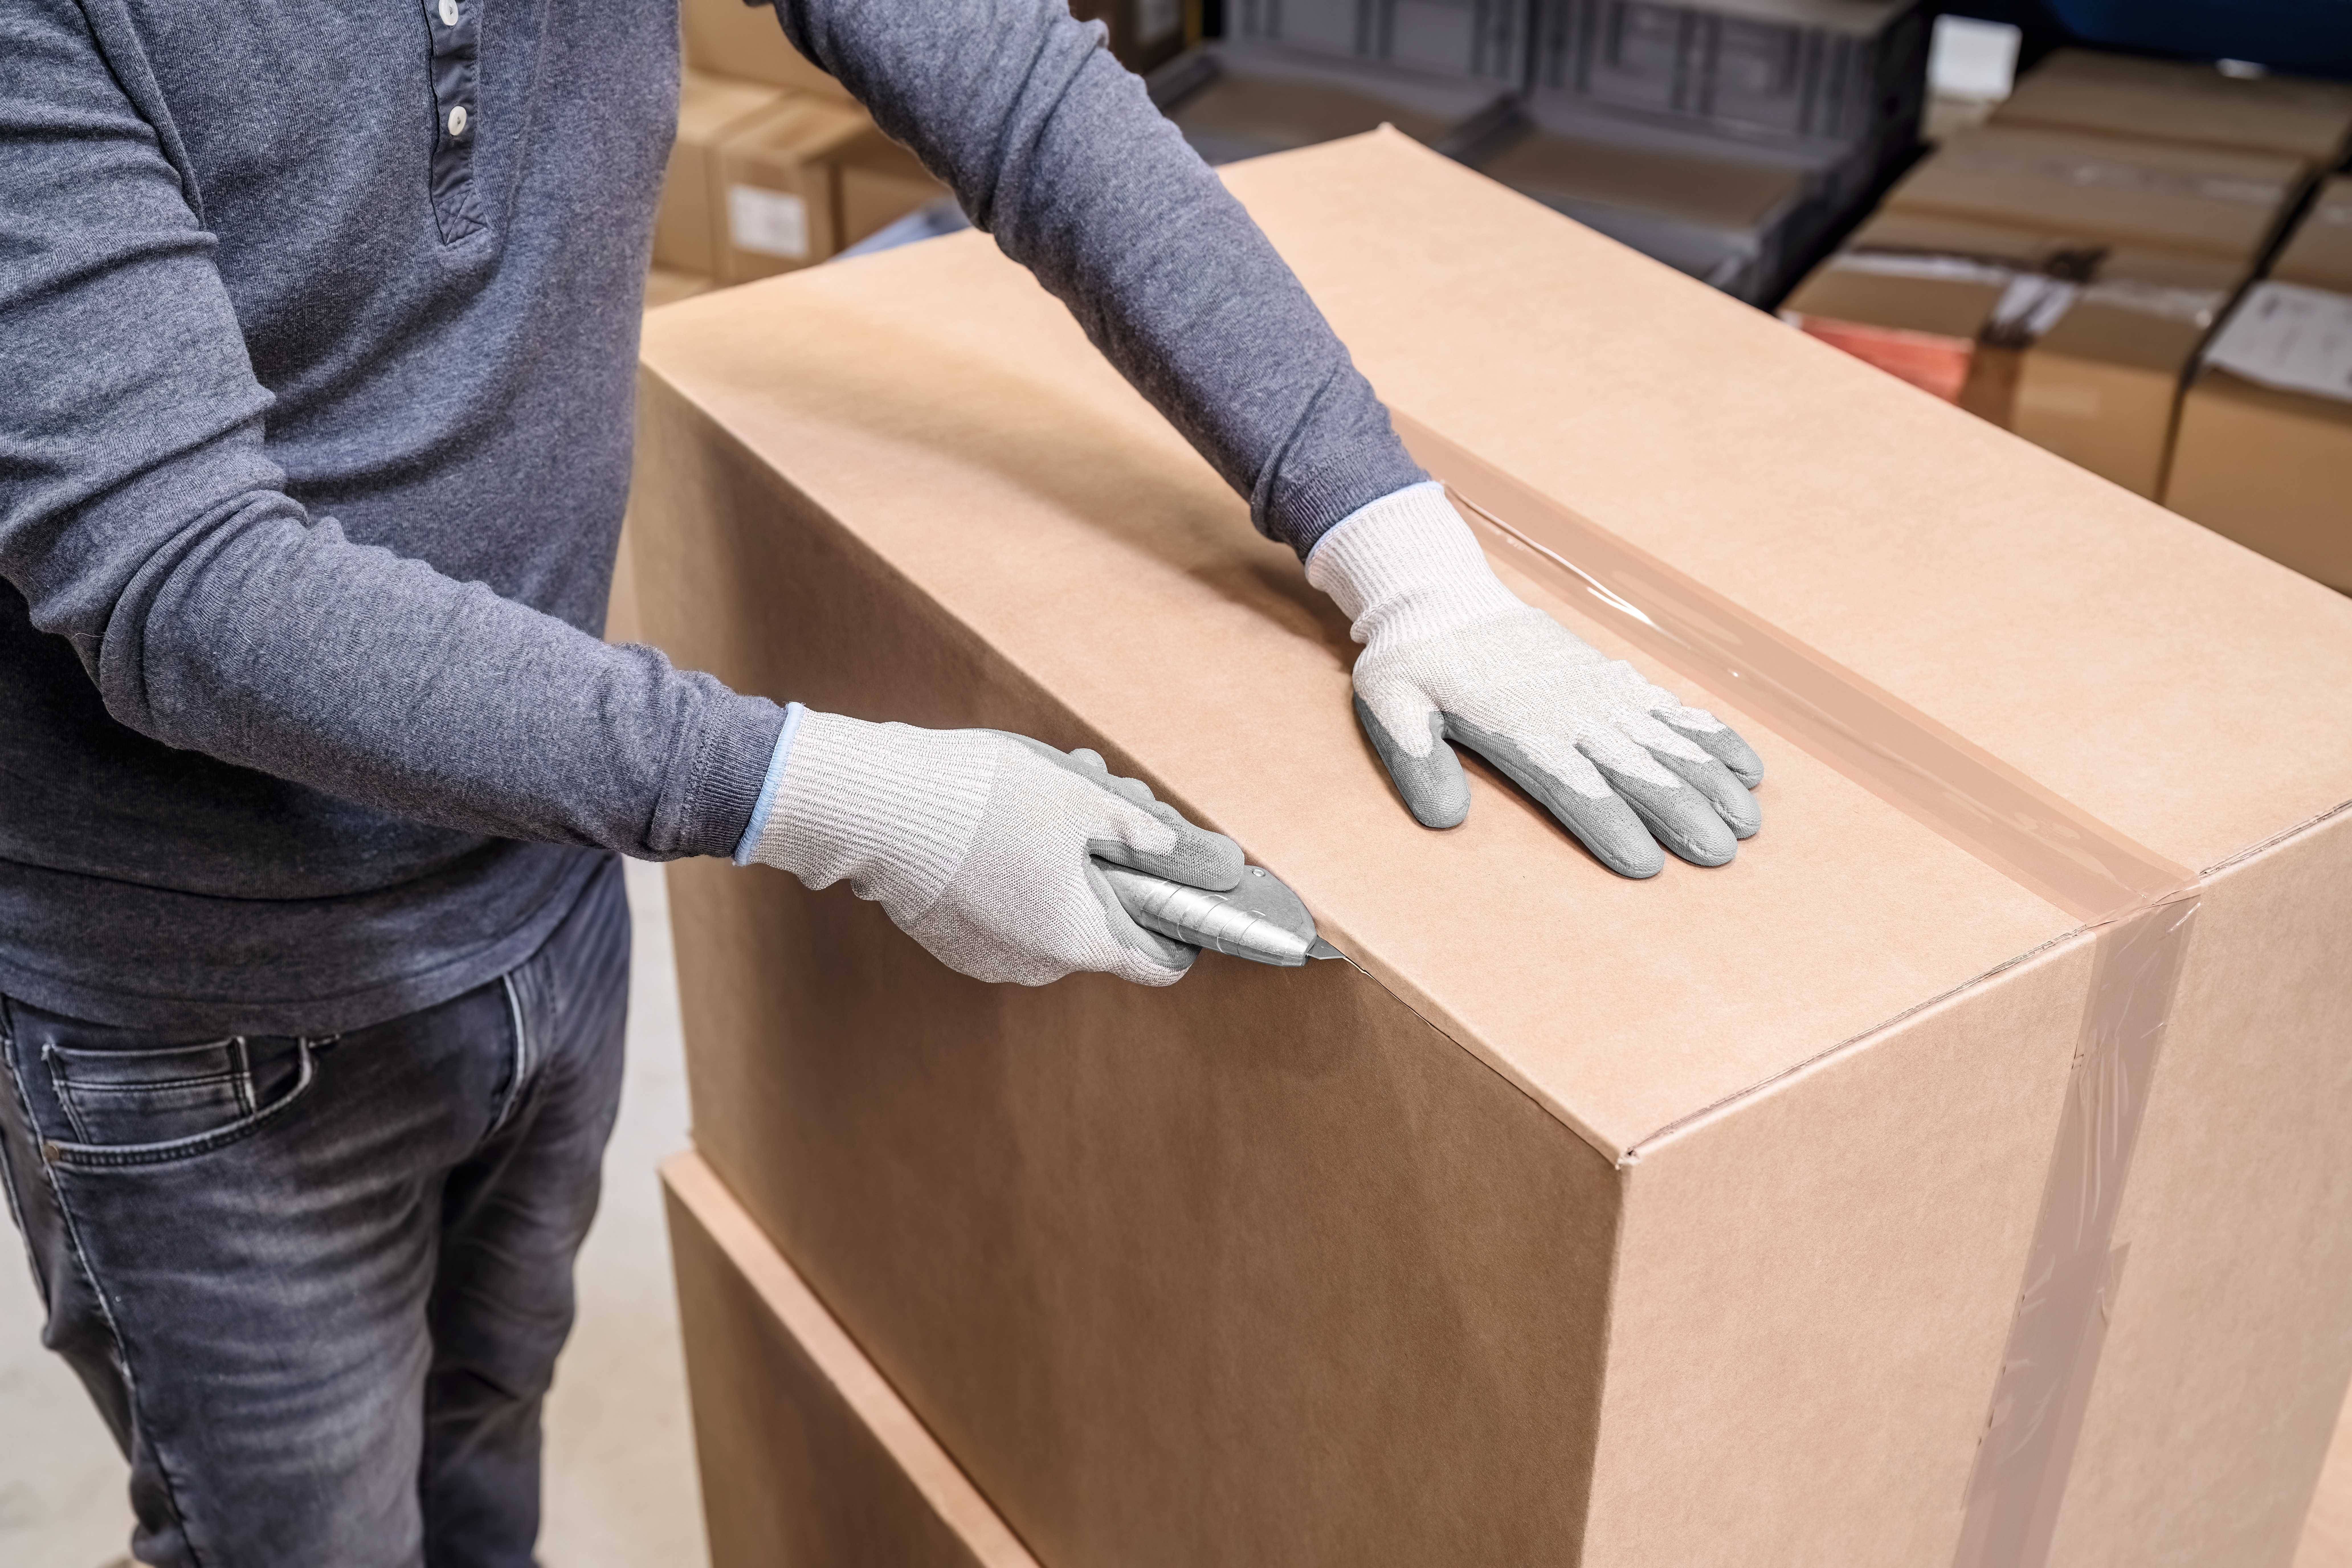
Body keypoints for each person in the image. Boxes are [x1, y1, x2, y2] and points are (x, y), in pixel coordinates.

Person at [0, 1, 1764, 1562]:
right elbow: (185, 582)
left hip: (540, 874)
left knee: (479, 1447)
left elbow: (1018, 86)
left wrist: (1400, 553)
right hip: (202, 1017)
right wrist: (850, 799)